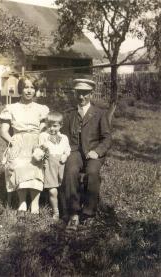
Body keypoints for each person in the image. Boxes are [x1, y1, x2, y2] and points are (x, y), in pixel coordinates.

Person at [62, 78, 112, 230]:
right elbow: (63, 136)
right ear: (74, 93)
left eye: (85, 94)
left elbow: (107, 137)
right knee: (70, 171)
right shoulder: (69, 114)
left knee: (92, 173)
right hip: (74, 151)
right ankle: (74, 212)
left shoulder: (100, 113)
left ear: (91, 94)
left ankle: (89, 212)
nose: (81, 97)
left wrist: (97, 152)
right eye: (78, 93)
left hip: (93, 152)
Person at [0, 76, 49, 214]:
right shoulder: (11, 108)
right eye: (26, 87)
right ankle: (22, 202)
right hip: (18, 141)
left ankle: (34, 203)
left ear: (35, 90)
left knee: (36, 164)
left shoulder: (41, 108)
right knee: (19, 163)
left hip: (35, 142)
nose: (29, 90)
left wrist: (40, 146)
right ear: (21, 89)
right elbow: (3, 132)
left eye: (32, 87)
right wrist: (12, 142)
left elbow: (43, 130)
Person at [39, 111, 71, 220]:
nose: (52, 129)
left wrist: (65, 155)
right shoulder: (43, 136)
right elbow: (40, 149)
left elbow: (67, 149)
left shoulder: (64, 138)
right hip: (49, 164)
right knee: (52, 190)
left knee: (62, 188)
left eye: (55, 126)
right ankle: (56, 212)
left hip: (61, 164)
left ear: (61, 125)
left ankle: (65, 211)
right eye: (49, 125)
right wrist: (43, 157)